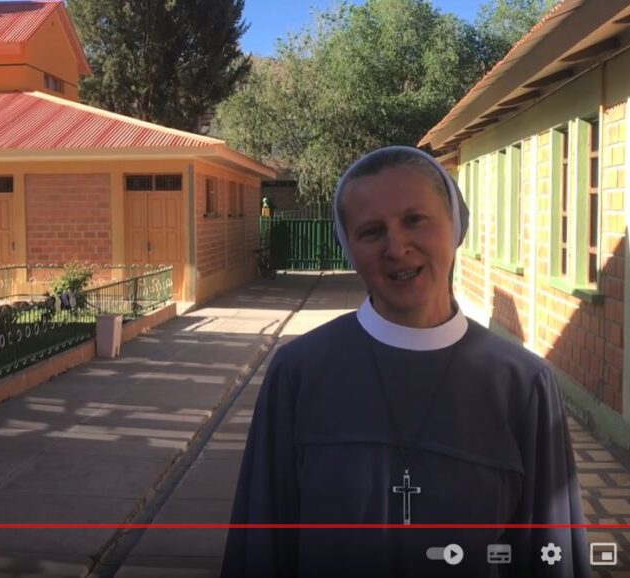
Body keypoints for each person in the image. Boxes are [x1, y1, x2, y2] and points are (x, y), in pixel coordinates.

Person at [222, 146, 589, 577]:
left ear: (455, 226)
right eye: (371, 232)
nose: (396, 248)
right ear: (349, 248)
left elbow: (550, 553)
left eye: (415, 220)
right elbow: (262, 541)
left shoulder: (523, 386)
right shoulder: (299, 374)